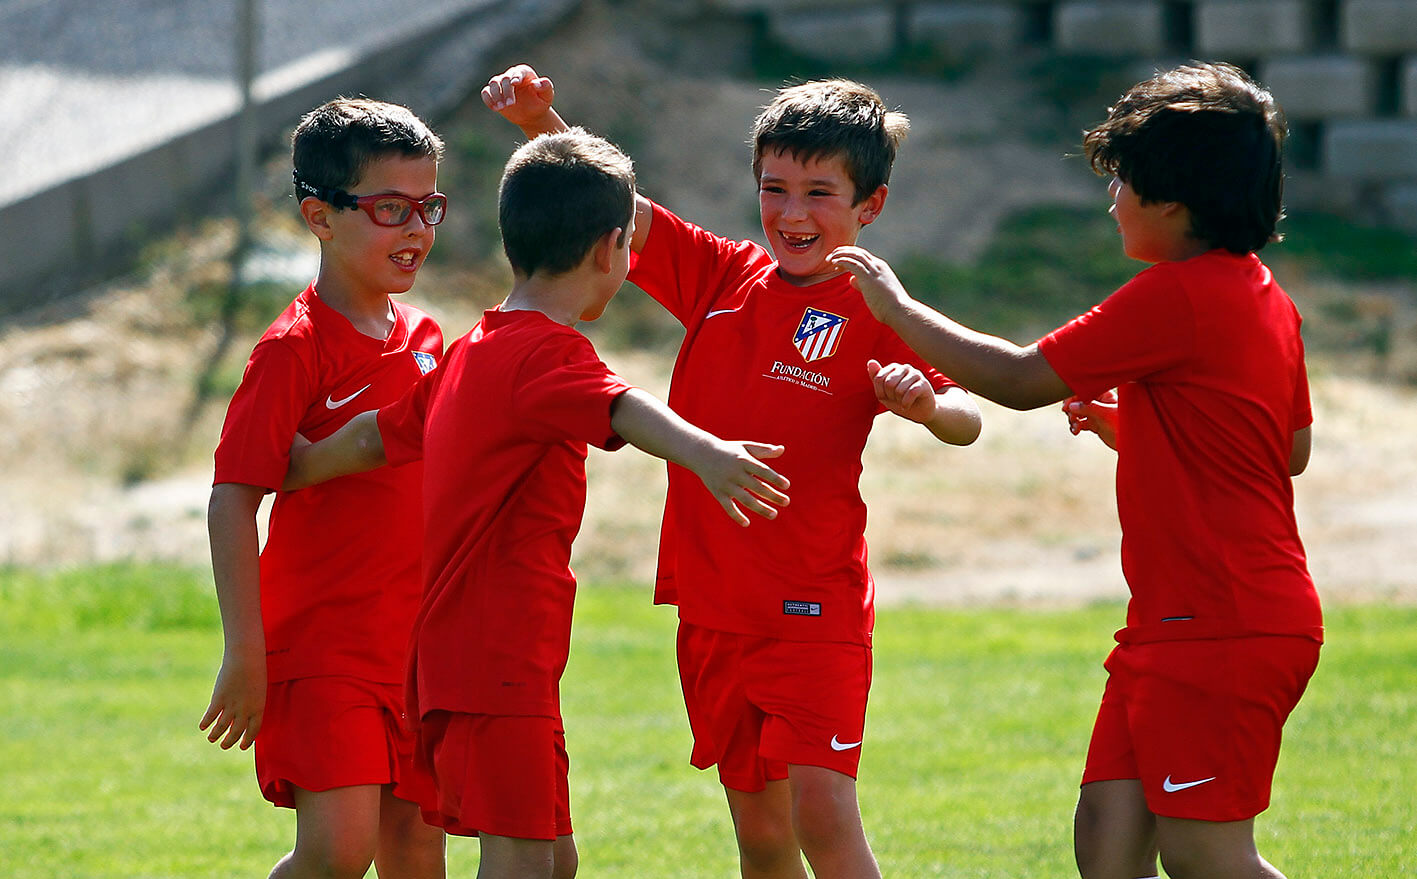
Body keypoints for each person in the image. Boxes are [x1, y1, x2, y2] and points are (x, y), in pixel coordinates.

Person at [482, 65, 981, 879]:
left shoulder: (878, 307)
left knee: (822, 812)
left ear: (870, 207)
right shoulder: (722, 276)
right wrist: (540, 120)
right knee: (759, 835)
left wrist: (928, 404)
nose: (790, 213)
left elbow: (967, 418)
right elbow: (616, 211)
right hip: (713, 610)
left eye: (819, 193)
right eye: (774, 187)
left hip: (812, 607)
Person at [828, 62, 1320, 879]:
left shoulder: (1178, 296)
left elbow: (1021, 379)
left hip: (1219, 622)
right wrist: (1141, 429)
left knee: (1206, 855)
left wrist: (896, 309)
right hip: (1185, 620)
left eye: (1123, 181)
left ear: (1172, 199)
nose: (1111, 199)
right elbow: (1284, 449)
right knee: (1106, 836)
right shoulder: (1263, 295)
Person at [284, 127, 793, 879]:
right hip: (498, 662)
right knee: (523, 863)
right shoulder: (547, 355)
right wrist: (707, 452)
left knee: (555, 859)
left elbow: (375, 437)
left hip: (466, 660)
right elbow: (623, 406)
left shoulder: (474, 349)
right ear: (611, 249)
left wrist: (296, 464)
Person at [198, 97, 449, 879]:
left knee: (416, 848)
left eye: (428, 206)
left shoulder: (427, 338)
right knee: (338, 852)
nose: (416, 230)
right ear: (320, 214)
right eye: (390, 209)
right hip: (323, 647)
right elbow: (233, 497)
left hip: (414, 647)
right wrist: (246, 650)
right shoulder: (291, 349)